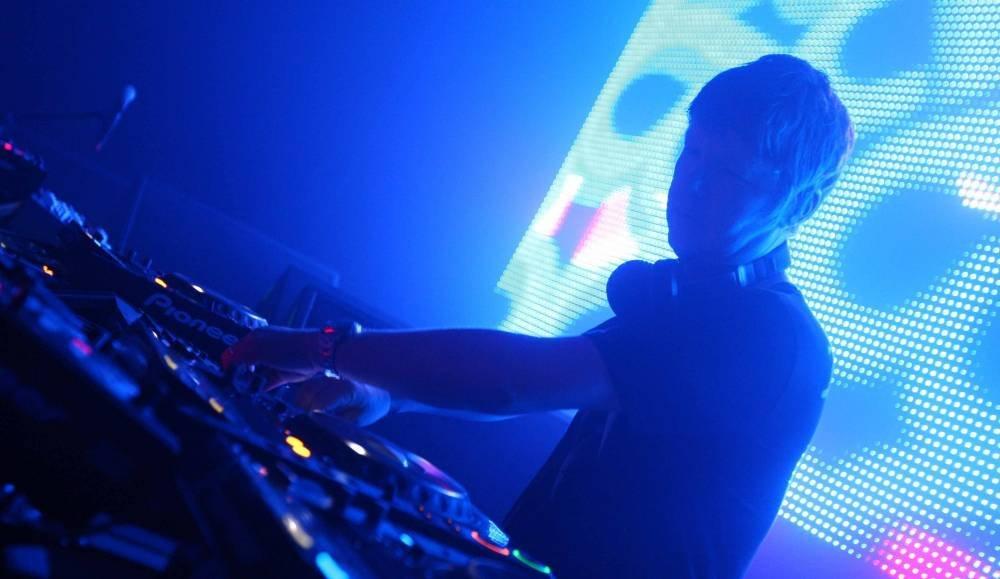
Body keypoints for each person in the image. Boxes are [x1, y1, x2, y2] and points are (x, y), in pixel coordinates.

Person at [223, 54, 854, 578]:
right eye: (691, 154)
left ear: (802, 203)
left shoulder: (768, 335)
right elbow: (529, 389)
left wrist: (323, 347)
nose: (689, 185)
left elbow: (516, 381)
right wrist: (385, 397)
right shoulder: (692, 302)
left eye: (728, 174)